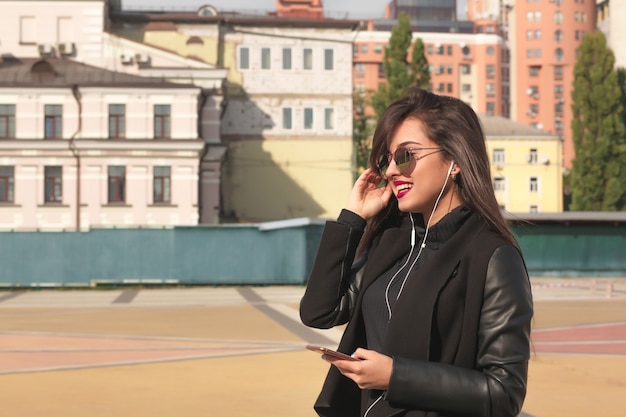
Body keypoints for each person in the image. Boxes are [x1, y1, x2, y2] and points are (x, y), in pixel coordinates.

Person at [300, 87, 533, 417]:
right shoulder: (395, 242)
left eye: (405, 156)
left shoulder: (493, 257)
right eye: (387, 160)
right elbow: (318, 312)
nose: (393, 171)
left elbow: (503, 393)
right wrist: (353, 219)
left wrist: (396, 376)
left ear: (454, 161)